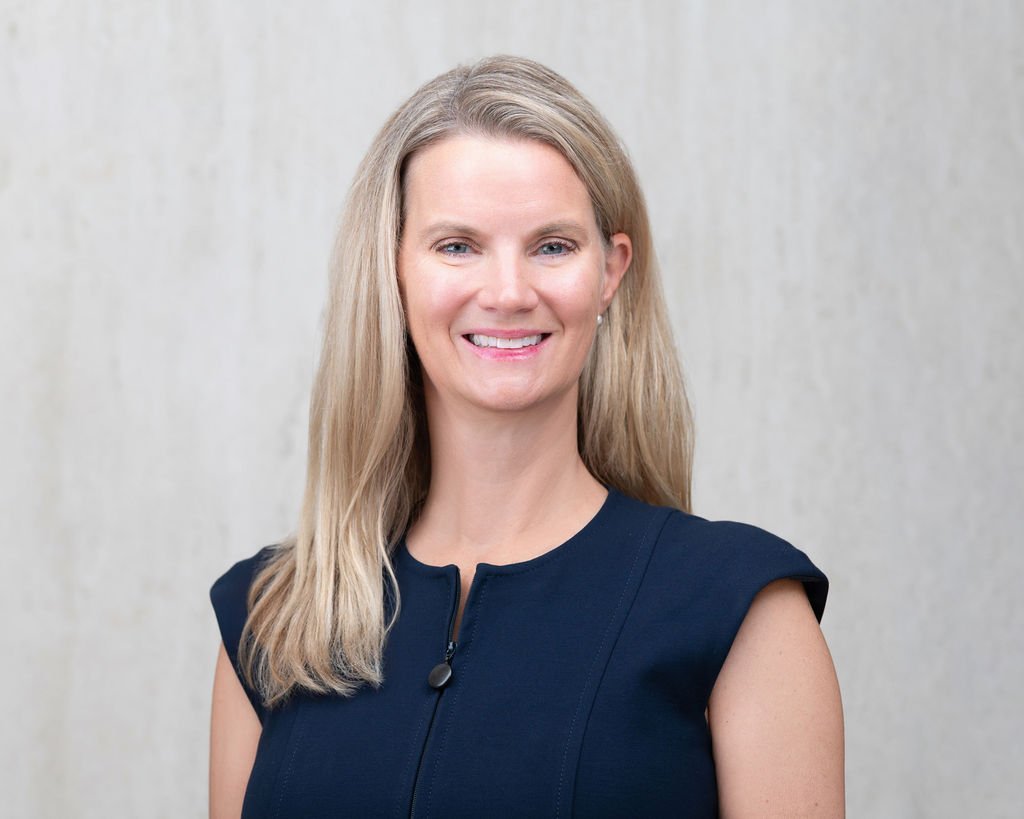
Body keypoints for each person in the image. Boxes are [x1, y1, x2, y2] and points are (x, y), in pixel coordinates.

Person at [209, 55, 844, 818]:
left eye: (551, 245)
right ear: (392, 270)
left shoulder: (741, 613)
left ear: (610, 272)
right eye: (456, 245)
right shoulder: (272, 615)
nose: (508, 292)